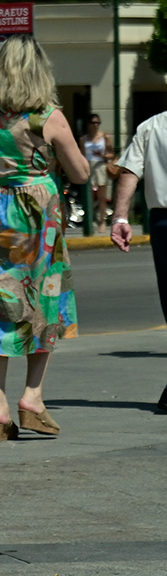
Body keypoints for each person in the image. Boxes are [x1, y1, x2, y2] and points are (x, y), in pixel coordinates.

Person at [0, 34, 88, 441]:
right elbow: (81, 173)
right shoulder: (46, 117)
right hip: (36, 221)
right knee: (44, 304)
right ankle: (33, 395)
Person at [109, 111, 167, 410]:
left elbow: (130, 171)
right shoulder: (151, 126)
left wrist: (120, 216)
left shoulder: (153, 126)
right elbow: (130, 171)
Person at [80, 113, 115, 233]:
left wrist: (103, 155)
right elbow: (81, 155)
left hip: (100, 165)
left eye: (97, 123)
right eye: (93, 123)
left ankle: (102, 221)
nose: (95, 125)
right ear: (88, 124)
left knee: (101, 196)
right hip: (88, 166)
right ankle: (89, 220)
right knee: (88, 196)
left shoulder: (105, 137)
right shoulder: (83, 139)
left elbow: (112, 154)